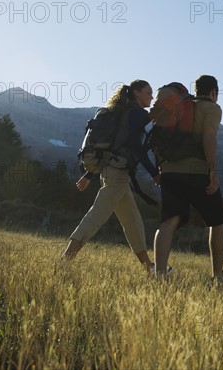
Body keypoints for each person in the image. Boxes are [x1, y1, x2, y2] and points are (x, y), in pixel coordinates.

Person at [62, 80, 160, 272]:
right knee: (97, 214)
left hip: (113, 172)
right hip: (118, 174)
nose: (152, 97)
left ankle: (149, 267)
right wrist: (155, 173)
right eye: (148, 93)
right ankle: (66, 259)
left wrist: (89, 175)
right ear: (137, 92)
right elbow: (137, 149)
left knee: (132, 221)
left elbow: (113, 148)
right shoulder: (137, 114)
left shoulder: (123, 112)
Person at [153, 75, 223, 284]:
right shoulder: (212, 109)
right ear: (213, 93)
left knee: (168, 221)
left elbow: (158, 138)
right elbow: (209, 137)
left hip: (170, 171)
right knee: (217, 223)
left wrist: (160, 168)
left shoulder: (179, 108)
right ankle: (218, 276)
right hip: (197, 171)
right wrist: (213, 170)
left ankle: (159, 274)